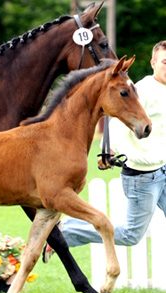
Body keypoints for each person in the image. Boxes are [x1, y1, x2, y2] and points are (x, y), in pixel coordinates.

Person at [61, 40, 166, 247]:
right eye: (165, 62)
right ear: (153, 63)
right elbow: (116, 125)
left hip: (163, 169)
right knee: (130, 235)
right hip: (143, 176)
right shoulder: (142, 90)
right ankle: (64, 233)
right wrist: (112, 151)